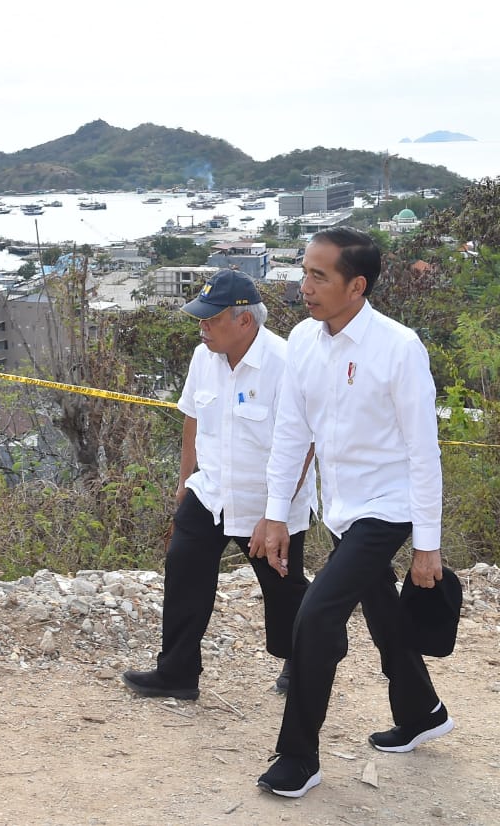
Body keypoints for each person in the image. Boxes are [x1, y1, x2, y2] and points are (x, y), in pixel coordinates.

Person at [251, 226, 453, 799]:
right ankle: (421, 711)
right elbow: (291, 436)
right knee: (384, 612)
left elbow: (422, 450)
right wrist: (275, 515)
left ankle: (298, 757)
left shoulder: (398, 347)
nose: (304, 286)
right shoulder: (303, 343)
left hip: (387, 507)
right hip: (338, 507)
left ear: (356, 285)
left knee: (316, 618)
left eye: (319, 276)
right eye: (305, 272)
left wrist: (427, 545)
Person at [122, 268, 314, 702]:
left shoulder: (285, 365)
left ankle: (303, 663)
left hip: (267, 501)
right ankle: (177, 672)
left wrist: (276, 514)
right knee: (184, 574)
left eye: (211, 319)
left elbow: (304, 445)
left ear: (244, 321)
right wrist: (185, 481)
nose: (202, 327)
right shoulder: (202, 357)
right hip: (209, 493)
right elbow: (193, 416)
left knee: (283, 589)